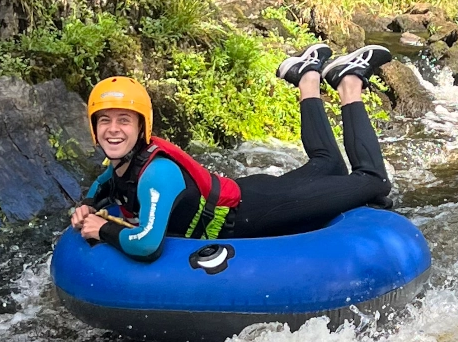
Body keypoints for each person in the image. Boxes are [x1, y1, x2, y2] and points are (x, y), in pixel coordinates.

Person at [69, 43, 397, 260]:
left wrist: (103, 228)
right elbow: (103, 185)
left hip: (257, 210)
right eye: (104, 121)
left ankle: (349, 83)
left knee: (374, 181)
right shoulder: (120, 169)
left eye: (124, 120)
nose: (113, 129)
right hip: (247, 194)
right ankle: (308, 77)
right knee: (328, 165)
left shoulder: (157, 174)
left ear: (143, 128)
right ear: (94, 129)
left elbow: (147, 243)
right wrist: (86, 206)